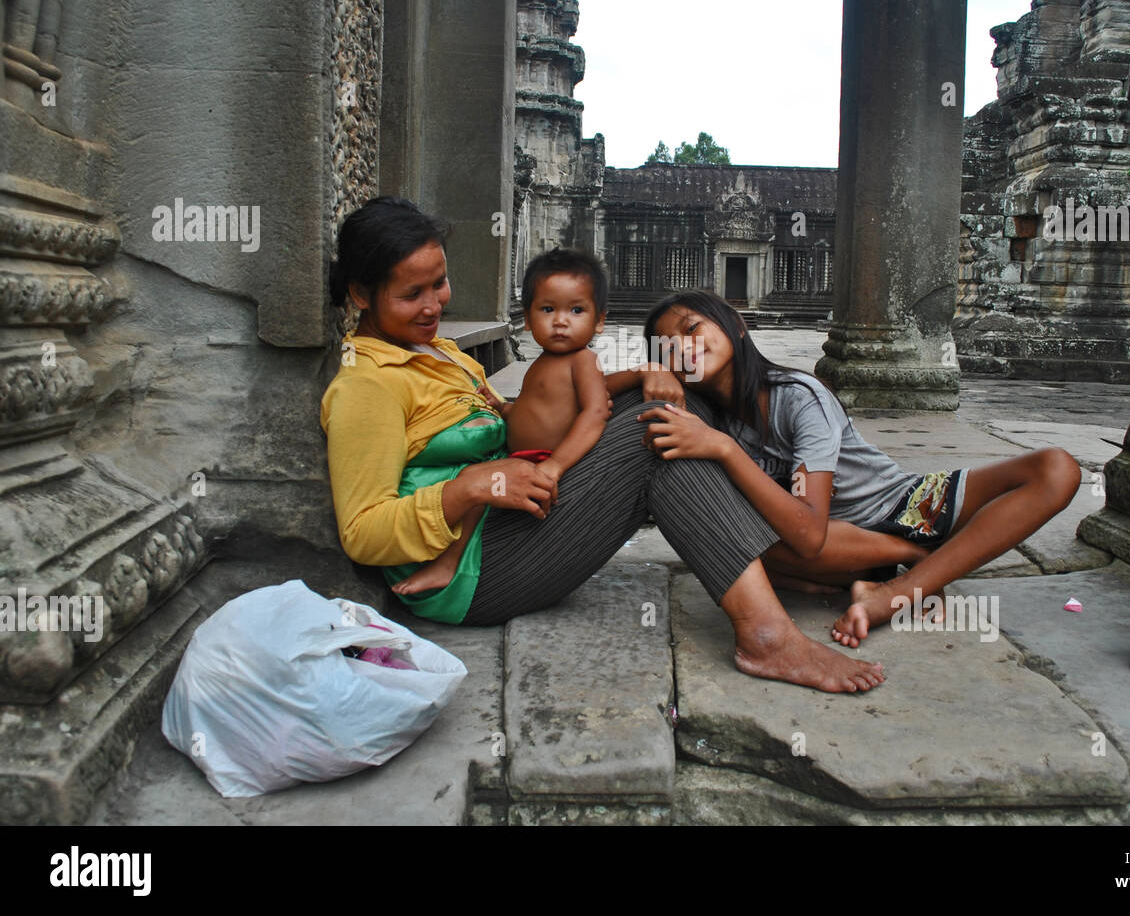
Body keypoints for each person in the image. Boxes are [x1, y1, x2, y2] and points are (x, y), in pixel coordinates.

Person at [320, 197, 885, 693]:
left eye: (439, 283)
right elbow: (362, 532)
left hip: (511, 512)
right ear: (362, 294)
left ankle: (776, 559)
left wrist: (641, 373)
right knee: (655, 434)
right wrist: (472, 486)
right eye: (410, 294)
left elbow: (525, 416)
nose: (434, 305)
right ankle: (765, 634)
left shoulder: (441, 354)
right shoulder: (367, 385)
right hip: (471, 572)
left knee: (682, 409)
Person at [638, 290, 1082, 648]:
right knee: (738, 544)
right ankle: (909, 569)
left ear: (735, 326)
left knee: (1058, 469)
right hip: (841, 544)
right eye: (667, 346)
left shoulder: (798, 395)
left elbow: (809, 534)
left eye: (692, 327)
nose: (683, 346)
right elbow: (587, 380)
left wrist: (725, 450)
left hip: (908, 506)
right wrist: (645, 374)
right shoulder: (709, 418)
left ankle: (900, 588)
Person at [392, 247, 611, 595]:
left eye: (577, 310)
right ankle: (453, 560)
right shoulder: (543, 362)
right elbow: (533, 412)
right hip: (523, 458)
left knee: (478, 489)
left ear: (599, 320)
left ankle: (448, 565)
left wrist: (555, 466)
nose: (561, 321)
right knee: (476, 486)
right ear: (527, 318)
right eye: (548, 309)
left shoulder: (582, 361)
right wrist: (502, 408)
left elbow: (596, 412)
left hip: (546, 460)